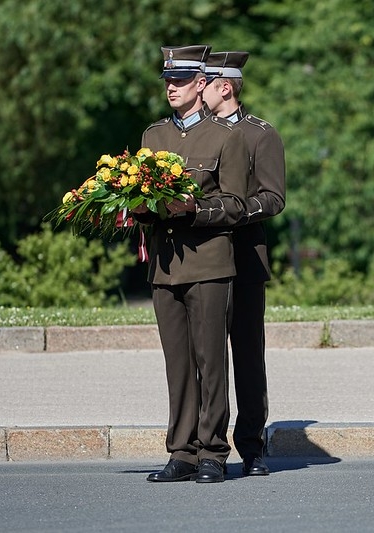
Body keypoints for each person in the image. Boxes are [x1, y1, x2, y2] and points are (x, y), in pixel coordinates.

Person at [133, 44, 250, 483]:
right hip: (164, 265)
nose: (171, 88)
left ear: (202, 84)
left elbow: (236, 204)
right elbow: (144, 196)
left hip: (208, 264)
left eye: (180, 81)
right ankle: (181, 452)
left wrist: (194, 211)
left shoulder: (227, 136)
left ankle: (212, 452)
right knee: (177, 365)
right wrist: (136, 208)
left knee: (210, 361)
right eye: (167, 81)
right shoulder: (153, 137)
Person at [203, 50, 286, 477]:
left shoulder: (260, 135)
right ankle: (206, 445)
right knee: (207, 356)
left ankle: (251, 446)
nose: (197, 89)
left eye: (206, 82)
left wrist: (232, 211)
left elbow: (274, 197)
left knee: (248, 356)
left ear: (225, 87)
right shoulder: (194, 134)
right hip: (201, 261)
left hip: (245, 258)